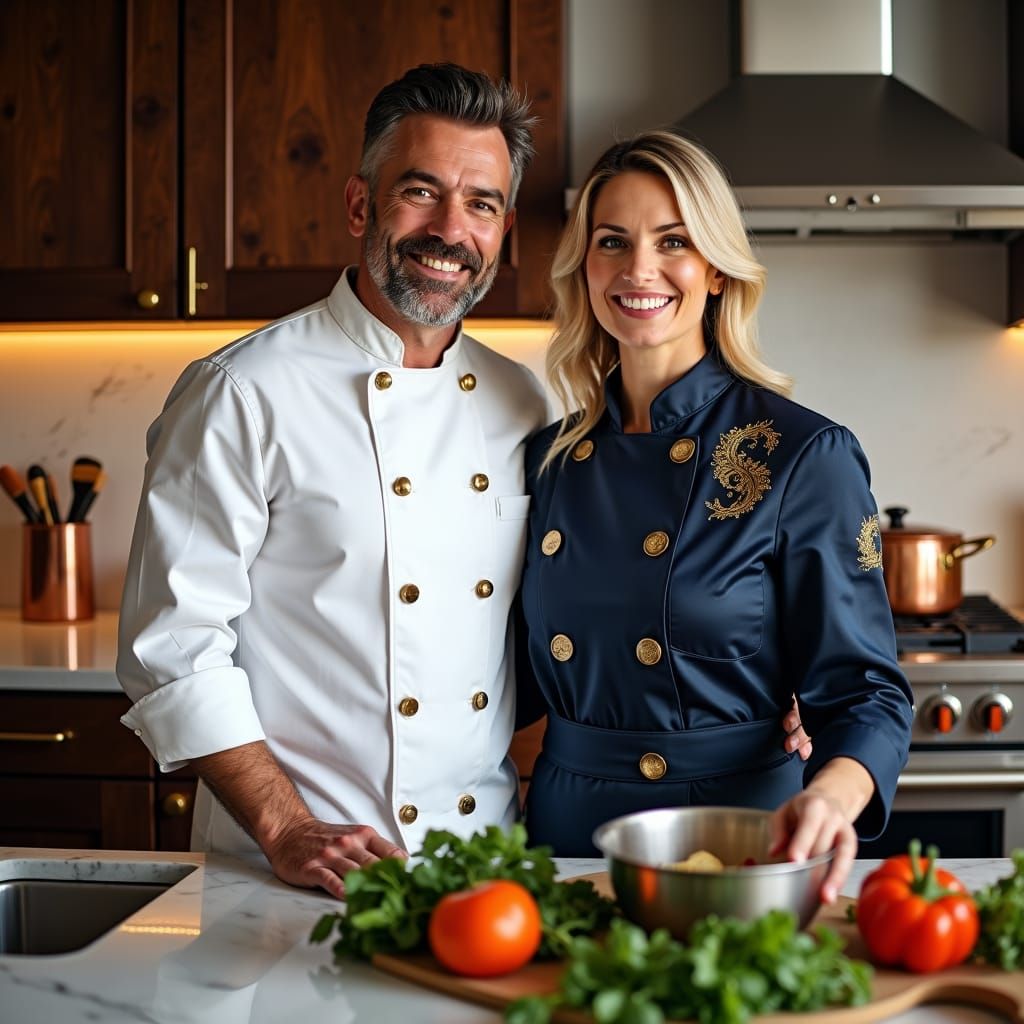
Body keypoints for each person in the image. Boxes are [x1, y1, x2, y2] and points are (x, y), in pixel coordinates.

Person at [116, 64, 549, 899]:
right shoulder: (242, 390)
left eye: (481, 204)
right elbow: (171, 647)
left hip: (483, 874)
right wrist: (285, 828)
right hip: (287, 872)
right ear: (361, 205)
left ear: (503, 229)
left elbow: (563, 619)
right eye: (420, 192)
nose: (450, 229)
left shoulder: (521, 401)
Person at [515, 131, 913, 902]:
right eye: (612, 241)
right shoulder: (548, 460)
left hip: (736, 839)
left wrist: (829, 797)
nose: (638, 269)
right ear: (584, 267)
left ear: (719, 271)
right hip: (564, 842)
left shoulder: (804, 455)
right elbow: (494, 676)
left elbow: (868, 691)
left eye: (674, 241)